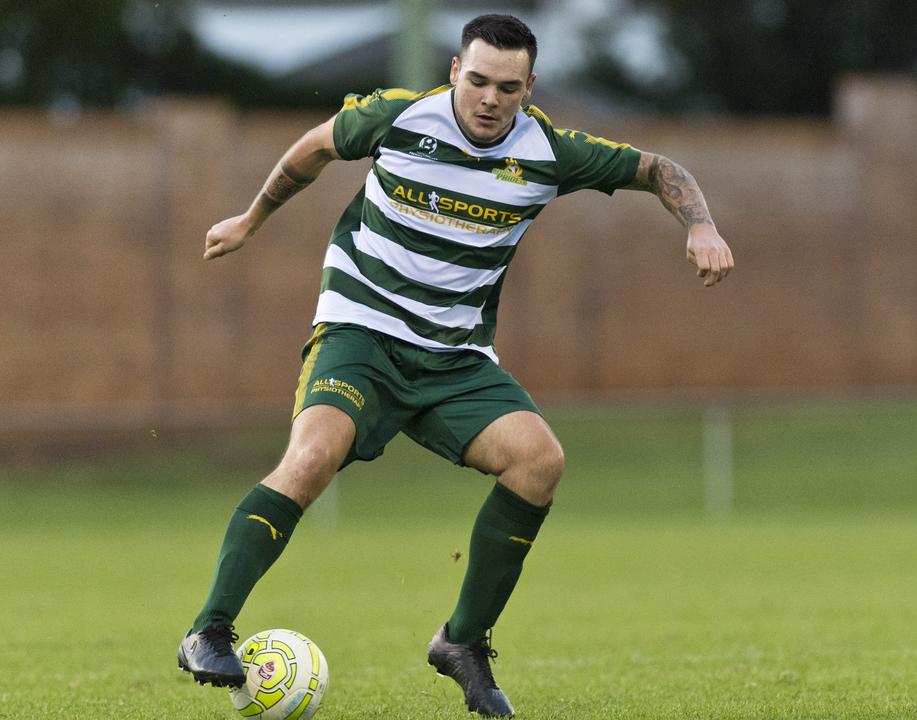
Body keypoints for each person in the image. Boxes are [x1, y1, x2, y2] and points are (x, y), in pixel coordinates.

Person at [175, 14, 733, 718]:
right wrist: (251, 219)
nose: (489, 98)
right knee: (314, 456)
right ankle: (208, 630)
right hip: (361, 333)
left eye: (507, 86)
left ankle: (462, 642)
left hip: (454, 359)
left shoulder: (550, 153)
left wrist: (701, 224)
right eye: (477, 80)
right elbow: (313, 149)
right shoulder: (398, 118)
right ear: (453, 72)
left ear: (530, 88)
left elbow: (660, 169)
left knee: (539, 461)